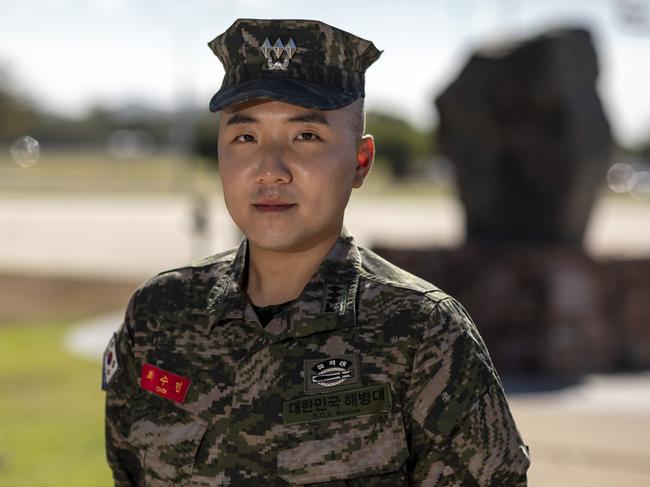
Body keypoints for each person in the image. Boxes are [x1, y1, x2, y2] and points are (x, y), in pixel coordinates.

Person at [103, 18, 530, 486]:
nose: (271, 170)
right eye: (245, 137)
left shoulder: (422, 335)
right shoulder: (159, 314)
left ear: (360, 161)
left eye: (306, 136)